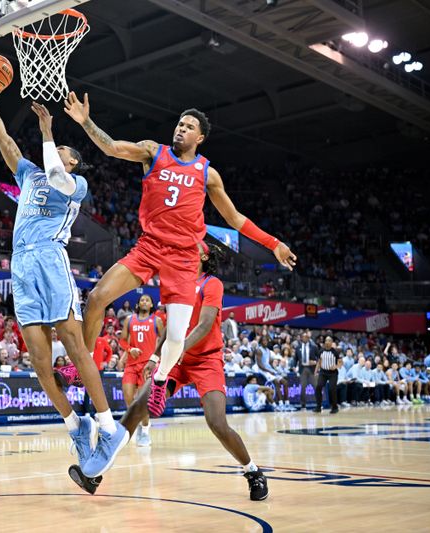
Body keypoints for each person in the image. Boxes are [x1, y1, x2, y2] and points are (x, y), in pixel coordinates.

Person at [64, 94, 295, 421]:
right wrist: (85, 122)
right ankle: (81, 365)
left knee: (175, 337)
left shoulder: (207, 174)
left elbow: (235, 219)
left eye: (189, 127)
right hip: (149, 246)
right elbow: (112, 147)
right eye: (179, 124)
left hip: (184, 258)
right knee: (98, 297)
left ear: (199, 138)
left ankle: (160, 380)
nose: (181, 130)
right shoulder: (152, 151)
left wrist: (273, 244)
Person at [0, 86, 126, 478]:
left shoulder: (76, 186)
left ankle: (110, 428)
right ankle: (77, 426)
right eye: (55, 145)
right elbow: (2, 139)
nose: (58, 149)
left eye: (64, 148)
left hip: (49, 258)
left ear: (74, 161)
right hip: (21, 266)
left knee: (76, 347)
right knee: (40, 365)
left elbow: (58, 173)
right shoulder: (29, 173)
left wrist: (48, 130)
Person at [128, 242, 269, 500]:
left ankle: (253, 472)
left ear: (203, 256)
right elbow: (171, 327)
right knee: (140, 402)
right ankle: (99, 465)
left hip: (206, 360)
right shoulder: (177, 284)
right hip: (178, 360)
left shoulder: (211, 283)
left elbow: (204, 325)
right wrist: (155, 356)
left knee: (217, 422)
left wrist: (179, 348)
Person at [118, 294, 163, 447]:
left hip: (147, 366)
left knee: (143, 401)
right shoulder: (129, 319)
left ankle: (144, 430)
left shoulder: (156, 321)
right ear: (138, 304)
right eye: (142, 300)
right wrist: (130, 349)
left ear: (151, 305)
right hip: (131, 364)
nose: (144, 301)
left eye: (147, 300)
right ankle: (137, 423)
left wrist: (157, 359)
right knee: (129, 397)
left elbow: (164, 342)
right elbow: (122, 340)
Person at [313, 336, 339, 414]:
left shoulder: (335, 352)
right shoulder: (321, 351)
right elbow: (319, 362)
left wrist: (335, 366)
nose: (327, 342)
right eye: (326, 341)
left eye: (329, 341)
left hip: (333, 373)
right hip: (323, 372)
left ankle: (334, 407)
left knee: (332, 389)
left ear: (331, 343)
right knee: (318, 387)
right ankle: (318, 407)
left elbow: (340, 362)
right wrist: (315, 371)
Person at [295, 332, 318, 410]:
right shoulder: (298, 347)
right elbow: (295, 359)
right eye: (303, 337)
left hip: (311, 369)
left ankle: (318, 403)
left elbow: (318, 358)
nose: (305, 338)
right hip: (303, 369)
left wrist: (315, 362)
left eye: (306, 337)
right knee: (302, 387)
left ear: (308, 338)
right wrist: (295, 368)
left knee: (315, 386)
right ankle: (303, 405)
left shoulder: (314, 347)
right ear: (301, 338)